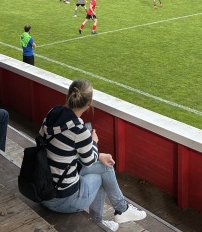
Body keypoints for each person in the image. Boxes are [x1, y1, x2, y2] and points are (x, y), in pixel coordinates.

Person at [40, 79, 147, 231]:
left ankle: (120, 210)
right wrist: (94, 142)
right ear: (89, 103)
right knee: (101, 173)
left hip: (43, 189)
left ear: (68, 95)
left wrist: (98, 154)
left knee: (103, 165)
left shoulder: (52, 113)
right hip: (62, 199)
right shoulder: (79, 130)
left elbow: (58, 149)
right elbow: (89, 161)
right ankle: (104, 219)